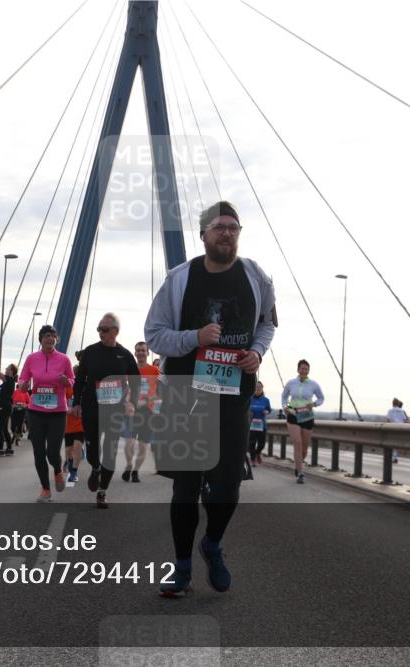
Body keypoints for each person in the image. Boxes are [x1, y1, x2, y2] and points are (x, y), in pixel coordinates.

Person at [145, 201, 276, 596]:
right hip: (185, 397)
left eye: (233, 227)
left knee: (227, 489)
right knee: (185, 489)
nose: (226, 233)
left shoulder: (257, 277)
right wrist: (193, 338)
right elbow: (153, 334)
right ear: (203, 234)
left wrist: (257, 352)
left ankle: (212, 545)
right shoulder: (180, 279)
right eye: (219, 227)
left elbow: (267, 324)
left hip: (233, 398)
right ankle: (182, 569)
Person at [72, 313, 140, 509]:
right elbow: (80, 380)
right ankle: (95, 467)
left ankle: (102, 492)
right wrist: (76, 402)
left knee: (110, 451)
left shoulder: (125, 355)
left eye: (104, 329)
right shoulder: (90, 352)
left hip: (115, 410)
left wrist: (132, 403)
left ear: (115, 332)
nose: (100, 333)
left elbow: (136, 382)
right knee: (94, 451)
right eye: (98, 329)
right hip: (92, 408)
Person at [18, 324, 74, 502]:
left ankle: (57, 472)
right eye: (46, 336)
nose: (50, 339)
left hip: (57, 412)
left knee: (52, 452)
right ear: (40, 339)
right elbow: (23, 378)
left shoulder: (64, 359)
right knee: (38, 452)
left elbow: (73, 380)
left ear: (56, 339)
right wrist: (23, 385)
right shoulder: (31, 358)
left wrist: (67, 382)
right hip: (36, 412)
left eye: (53, 336)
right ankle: (45, 489)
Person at [121, 341, 159, 483]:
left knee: (143, 446)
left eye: (143, 350)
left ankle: (136, 471)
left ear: (148, 353)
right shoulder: (129, 370)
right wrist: (126, 402)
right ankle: (129, 465)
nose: (141, 353)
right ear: (135, 353)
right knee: (129, 442)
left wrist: (146, 401)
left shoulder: (155, 371)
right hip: (131, 410)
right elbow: (123, 389)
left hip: (148, 411)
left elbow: (161, 393)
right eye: (138, 350)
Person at [282, 360, 324, 484]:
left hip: (307, 416)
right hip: (293, 415)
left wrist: (315, 403)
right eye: (302, 368)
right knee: (298, 444)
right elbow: (284, 397)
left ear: (308, 371)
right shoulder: (291, 383)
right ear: (298, 369)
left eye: (306, 369)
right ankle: (300, 473)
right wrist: (285, 407)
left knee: (305, 448)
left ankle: (298, 464)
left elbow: (321, 398)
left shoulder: (313, 384)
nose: (303, 370)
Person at [63, 378, 84, 483]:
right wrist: (68, 410)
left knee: (77, 447)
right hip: (68, 425)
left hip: (81, 424)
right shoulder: (67, 388)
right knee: (68, 451)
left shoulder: (85, 389)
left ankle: (74, 472)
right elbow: (62, 403)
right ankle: (70, 463)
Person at [248, 381, 272, 466]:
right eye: (256, 387)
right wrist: (249, 412)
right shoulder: (250, 398)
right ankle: (253, 459)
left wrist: (266, 412)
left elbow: (269, 410)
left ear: (262, 388)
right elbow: (245, 409)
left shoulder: (266, 400)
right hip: (252, 424)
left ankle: (258, 453)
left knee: (262, 444)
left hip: (262, 425)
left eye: (259, 387)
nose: (258, 388)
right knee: (251, 443)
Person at [385, 398, 409, 463]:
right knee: (396, 444)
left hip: (392, 428)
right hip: (400, 429)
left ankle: (394, 457)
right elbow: (405, 420)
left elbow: (387, 420)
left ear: (392, 403)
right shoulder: (402, 411)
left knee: (391, 444)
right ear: (398, 404)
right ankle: (395, 457)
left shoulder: (390, 411)